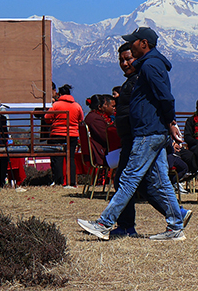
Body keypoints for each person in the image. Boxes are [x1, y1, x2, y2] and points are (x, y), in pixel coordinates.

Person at [78, 27, 188, 241]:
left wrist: (171, 122)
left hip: (148, 131)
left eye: (133, 42)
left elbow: (165, 97)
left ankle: (104, 223)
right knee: (161, 182)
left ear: (144, 43)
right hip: (153, 130)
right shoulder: (150, 65)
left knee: (128, 178)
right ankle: (175, 226)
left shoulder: (150, 65)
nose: (131, 45)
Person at [45, 84, 85, 189]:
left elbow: (47, 118)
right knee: (70, 158)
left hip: (57, 134)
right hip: (72, 135)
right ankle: (71, 181)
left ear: (60, 94)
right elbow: (80, 119)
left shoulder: (56, 105)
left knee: (57, 158)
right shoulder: (77, 106)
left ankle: (58, 181)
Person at [82, 95, 114, 173]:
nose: (107, 107)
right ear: (100, 106)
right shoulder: (95, 119)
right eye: (106, 105)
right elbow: (106, 138)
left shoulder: (92, 116)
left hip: (97, 150)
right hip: (99, 153)